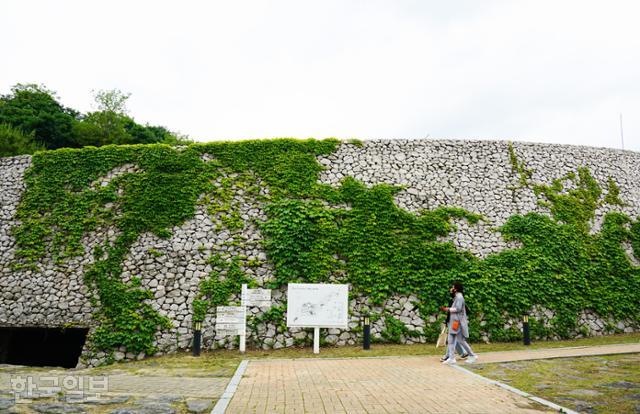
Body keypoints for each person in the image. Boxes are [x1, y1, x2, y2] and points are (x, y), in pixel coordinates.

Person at [440, 281, 477, 364]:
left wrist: (447, 309)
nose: (451, 288)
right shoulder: (456, 296)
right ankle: (452, 358)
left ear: (456, 289)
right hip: (454, 322)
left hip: (458, 322)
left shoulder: (460, 297)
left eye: (453, 287)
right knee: (450, 339)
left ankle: (472, 355)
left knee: (460, 340)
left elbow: (458, 309)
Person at [440, 288, 469, 362]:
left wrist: (448, 321)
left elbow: (453, 312)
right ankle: (462, 353)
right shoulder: (455, 300)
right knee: (454, 339)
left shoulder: (457, 300)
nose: (451, 292)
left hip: (455, 322)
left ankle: (448, 356)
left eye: (451, 291)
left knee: (452, 339)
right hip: (453, 322)